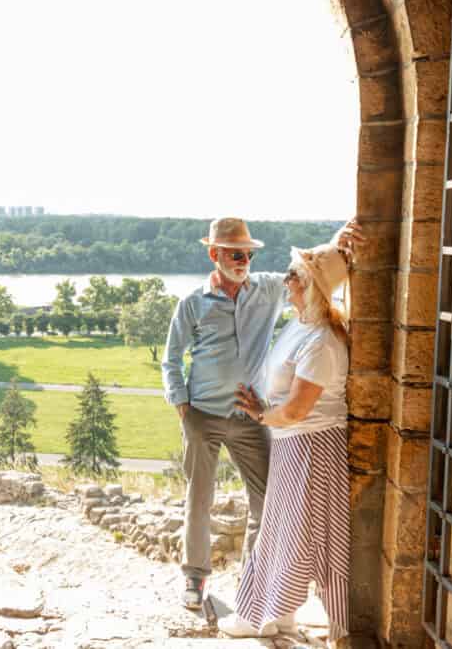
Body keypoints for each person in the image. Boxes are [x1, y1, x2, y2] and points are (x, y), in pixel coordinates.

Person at [162, 217, 361, 610]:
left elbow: (308, 272)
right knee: (199, 499)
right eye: (235, 253)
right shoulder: (193, 303)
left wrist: (340, 240)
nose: (243, 260)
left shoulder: (269, 288)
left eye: (248, 253)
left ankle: (253, 584)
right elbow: (170, 359)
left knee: (267, 501)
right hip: (202, 414)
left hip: (250, 416)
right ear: (214, 254)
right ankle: (195, 579)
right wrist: (181, 405)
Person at [217, 242, 351, 643]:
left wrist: (261, 415)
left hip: (312, 449)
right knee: (283, 532)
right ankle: (272, 616)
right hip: (294, 447)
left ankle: (278, 619)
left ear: (311, 286)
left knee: (298, 536)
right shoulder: (302, 323)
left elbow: (296, 410)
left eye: (295, 275)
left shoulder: (322, 341)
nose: (287, 280)